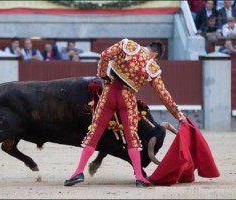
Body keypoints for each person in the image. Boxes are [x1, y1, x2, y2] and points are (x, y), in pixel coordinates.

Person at [64, 39, 187, 187]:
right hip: (127, 99)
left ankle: (78, 172)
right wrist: (178, 115)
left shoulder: (128, 44)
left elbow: (104, 55)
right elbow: (163, 95)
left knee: (94, 133)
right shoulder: (152, 66)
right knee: (132, 138)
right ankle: (140, 177)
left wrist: (103, 76)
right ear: (155, 54)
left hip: (109, 94)